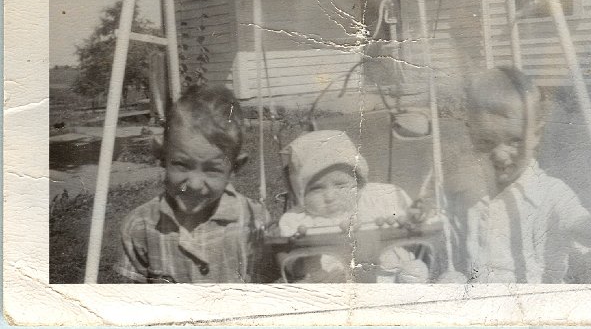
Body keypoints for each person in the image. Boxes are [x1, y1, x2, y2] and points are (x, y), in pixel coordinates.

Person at [463, 67, 591, 283]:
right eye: (486, 142)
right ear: (471, 135)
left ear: (536, 135)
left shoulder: (551, 193)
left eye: (514, 141)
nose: (500, 154)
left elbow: (584, 228)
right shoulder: (468, 193)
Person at [116, 86, 267, 283]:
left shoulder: (253, 220)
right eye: (181, 164)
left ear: (235, 167)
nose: (194, 184)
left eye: (212, 169)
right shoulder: (140, 227)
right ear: (162, 157)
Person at [278, 130, 430, 283]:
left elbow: (419, 232)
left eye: (341, 185)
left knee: (415, 271)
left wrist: (416, 218)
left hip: (391, 277)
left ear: (359, 184)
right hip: (336, 286)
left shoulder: (377, 200)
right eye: (317, 188)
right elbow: (290, 268)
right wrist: (309, 252)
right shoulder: (297, 221)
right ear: (300, 193)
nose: (330, 197)